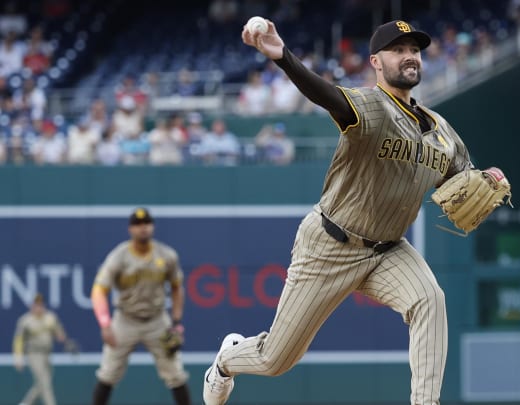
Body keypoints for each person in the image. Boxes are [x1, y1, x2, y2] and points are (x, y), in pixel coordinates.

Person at [203, 19, 476, 405]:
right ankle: (226, 362)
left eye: (414, 49)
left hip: (387, 250)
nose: (409, 56)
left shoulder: (443, 130)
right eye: (398, 50)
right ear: (376, 62)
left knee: (429, 298)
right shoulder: (373, 106)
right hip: (330, 244)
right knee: (276, 359)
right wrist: (284, 59)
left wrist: (486, 177)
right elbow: (327, 95)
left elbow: (464, 177)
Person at [90, 208, 191, 405]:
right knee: (108, 373)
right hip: (125, 320)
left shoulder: (166, 255)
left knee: (176, 374)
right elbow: (98, 291)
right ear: (130, 229)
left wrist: (176, 322)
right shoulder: (119, 257)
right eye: (138, 224)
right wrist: (105, 323)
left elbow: (178, 288)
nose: (143, 228)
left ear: (152, 227)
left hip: (157, 320)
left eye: (146, 224)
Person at [13, 293, 68, 405]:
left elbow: (59, 333)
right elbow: (18, 340)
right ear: (32, 306)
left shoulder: (50, 317)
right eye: (36, 304)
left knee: (42, 383)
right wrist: (18, 357)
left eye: (40, 304)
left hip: (47, 354)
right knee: (44, 383)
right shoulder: (25, 320)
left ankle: (25, 403)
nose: (38, 306)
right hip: (34, 354)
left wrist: (62, 337)